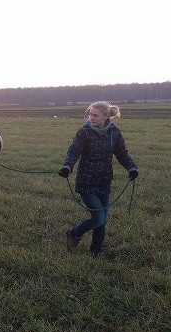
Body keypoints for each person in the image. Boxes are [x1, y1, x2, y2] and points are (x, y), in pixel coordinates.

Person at [58, 101, 138, 256]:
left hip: (104, 181)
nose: (91, 118)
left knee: (103, 220)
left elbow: (122, 153)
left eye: (95, 115)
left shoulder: (114, 132)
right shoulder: (84, 132)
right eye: (90, 114)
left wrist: (131, 167)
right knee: (99, 218)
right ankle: (74, 234)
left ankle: (96, 251)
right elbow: (74, 150)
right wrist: (68, 166)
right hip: (86, 182)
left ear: (106, 116)